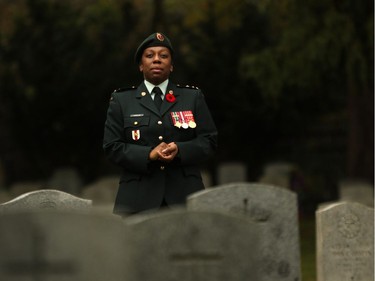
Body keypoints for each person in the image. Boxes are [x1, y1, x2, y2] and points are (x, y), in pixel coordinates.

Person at [103, 32, 218, 215]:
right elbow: (112, 147)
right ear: (141, 65)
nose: (157, 60)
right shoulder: (122, 100)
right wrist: (149, 154)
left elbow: (209, 141)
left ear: (171, 65)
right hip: (137, 198)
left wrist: (180, 150)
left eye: (163, 56)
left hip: (184, 196)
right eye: (150, 56)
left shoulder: (192, 97)